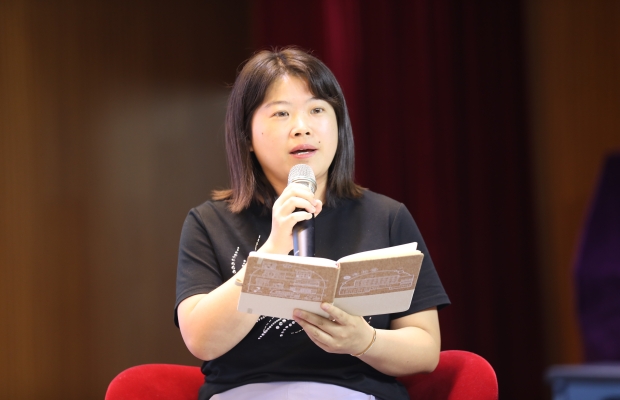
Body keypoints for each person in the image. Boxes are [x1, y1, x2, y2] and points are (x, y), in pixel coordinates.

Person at [175, 48, 450, 400]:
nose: (302, 127)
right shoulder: (209, 222)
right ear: (247, 136)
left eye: (317, 110)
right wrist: (273, 249)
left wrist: (364, 341)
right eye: (281, 113)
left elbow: (425, 350)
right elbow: (201, 341)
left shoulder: (387, 217)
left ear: (339, 126)